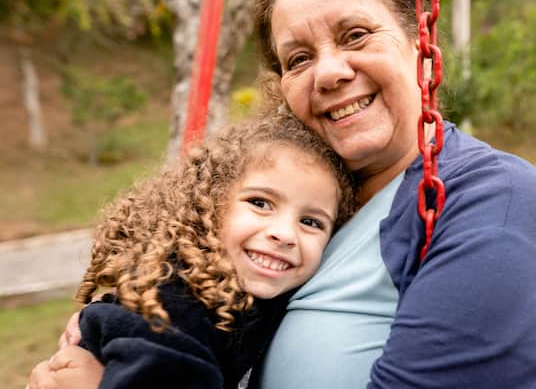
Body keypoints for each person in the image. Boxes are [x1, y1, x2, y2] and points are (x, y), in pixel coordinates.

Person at [29, 0, 536, 388]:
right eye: (298, 59)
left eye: (355, 35)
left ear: (421, 45)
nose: (330, 72)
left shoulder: (489, 199)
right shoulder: (305, 198)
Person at [31, 113, 356, 389]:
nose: (285, 234)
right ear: (209, 207)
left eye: (311, 222)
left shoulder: (240, 292)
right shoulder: (177, 311)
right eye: (260, 203)